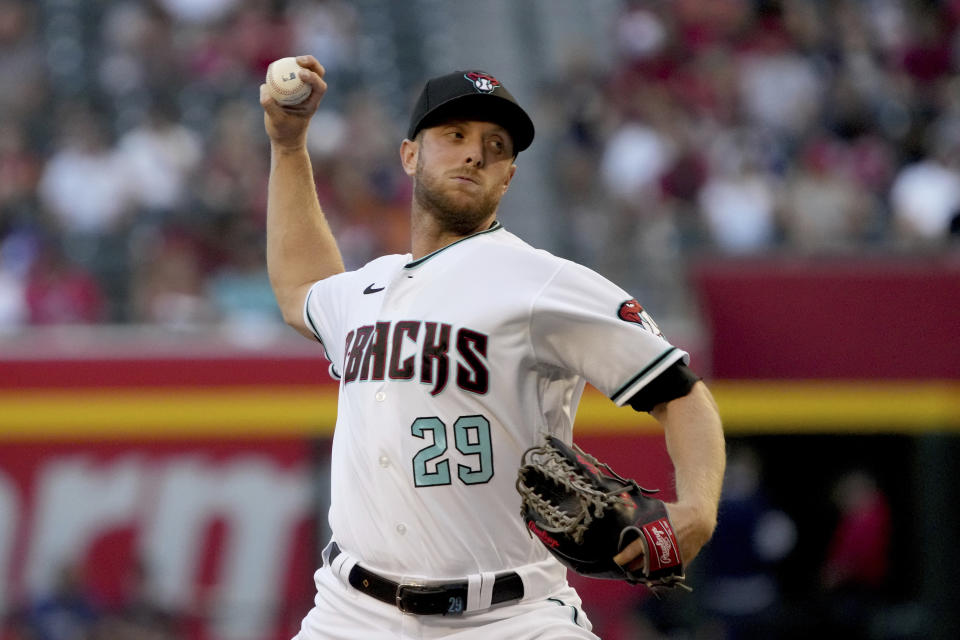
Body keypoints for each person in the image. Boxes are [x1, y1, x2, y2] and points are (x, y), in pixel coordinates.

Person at [260, 56, 726, 639]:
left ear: (507, 178)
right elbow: (300, 288)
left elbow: (681, 393)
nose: (475, 153)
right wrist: (288, 147)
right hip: (352, 613)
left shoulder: (542, 282)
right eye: (454, 136)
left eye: (496, 145)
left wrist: (699, 508)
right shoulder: (367, 287)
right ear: (410, 156)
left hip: (513, 617)